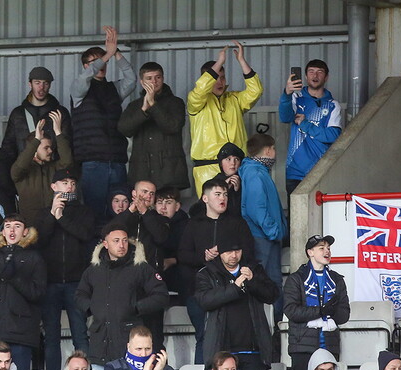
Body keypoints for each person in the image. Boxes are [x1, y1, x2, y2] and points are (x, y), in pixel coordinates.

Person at [194, 240, 279, 370]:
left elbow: (272, 294)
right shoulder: (207, 273)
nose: (233, 255)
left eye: (237, 250)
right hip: (223, 353)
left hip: (253, 352)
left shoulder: (253, 269)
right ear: (219, 252)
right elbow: (206, 301)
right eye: (228, 251)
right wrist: (235, 287)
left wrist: (252, 281)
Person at [177, 177, 255, 367]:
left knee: (231, 338)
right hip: (200, 291)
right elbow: (182, 256)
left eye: (225, 194)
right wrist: (203, 258)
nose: (223, 198)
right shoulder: (193, 224)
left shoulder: (237, 223)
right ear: (205, 198)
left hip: (232, 290)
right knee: (204, 336)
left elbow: (250, 254)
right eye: (217, 194)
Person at [76, 222, 169, 364]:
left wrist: (136, 307)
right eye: (116, 241)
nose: (122, 245)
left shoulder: (140, 268)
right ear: (105, 244)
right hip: (100, 345)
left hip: (130, 345)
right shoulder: (94, 270)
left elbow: (161, 295)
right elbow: (79, 295)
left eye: (125, 240)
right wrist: (92, 307)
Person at [70, 26, 136, 223]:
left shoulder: (113, 88)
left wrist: (116, 54)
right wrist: (107, 54)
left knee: (120, 213)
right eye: (95, 62)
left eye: (104, 61)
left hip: (116, 160)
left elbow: (131, 79)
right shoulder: (78, 88)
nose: (102, 65)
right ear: (86, 66)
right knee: (95, 213)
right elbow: (84, 78)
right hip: (92, 162)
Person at [34, 169, 93, 370]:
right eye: (64, 182)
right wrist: (52, 215)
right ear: (53, 187)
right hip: (50, 283)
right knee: (51, 337)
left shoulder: (83, 212)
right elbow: (37, 241)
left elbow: (85, 235)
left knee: (80, 335)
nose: (70, 186)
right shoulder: (42, 213)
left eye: (73, 183)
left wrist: (62, 218)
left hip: (76, 282)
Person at [0, 213, 47, 370]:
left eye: (17, 226)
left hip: (20, 333)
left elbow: (38, 293)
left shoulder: (34, 258)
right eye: (7, 226)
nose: (12, 230)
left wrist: (15, 278)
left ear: (25, 232)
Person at [187, 42, 262, 195]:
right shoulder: (196, 102)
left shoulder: (234, 99)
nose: (220, 82)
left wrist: (241, 61)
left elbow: (256, 90)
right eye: (215, 78)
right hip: (208, 169)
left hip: (237, 167)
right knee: (210, 213)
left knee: (239, 212)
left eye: (222, 77)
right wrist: (219, 62)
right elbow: (200, 90)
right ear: (206, 80)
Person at [283, 234, 350, 370]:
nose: (327, 251)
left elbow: (344, 315)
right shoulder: (296, 279)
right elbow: (291, 311)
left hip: (329, 345)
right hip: (303, 347)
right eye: (321, 248)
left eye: (328, 248)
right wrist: (320, 311)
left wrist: (331, 311)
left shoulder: (337, 279)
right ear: (310, 252)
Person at [238, 133, 287, 320]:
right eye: (273, 149)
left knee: (271, 283)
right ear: (268, 150)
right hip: (263, 237)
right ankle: (270, 328)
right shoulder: (255, 173)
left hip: (265, 236)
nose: (275, 153)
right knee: (267, 283)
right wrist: (274, 231)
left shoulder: (255, 171)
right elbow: (257, 208)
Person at [118, 61, 187, 191]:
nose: (154, 82)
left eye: (158, 77)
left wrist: (153, 105)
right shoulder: (134, 106)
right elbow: (124, 129)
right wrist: (143, 109)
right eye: (149, 78)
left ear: (163, 78)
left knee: (168, 209)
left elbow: (173, 127)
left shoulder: (176, 103)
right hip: (142, 172)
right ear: (141, 81)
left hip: (169, 173)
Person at [279, 59, 343, 195]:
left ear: (326, 77)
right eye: (311, 72)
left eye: (320, 72)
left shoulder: (333, 104)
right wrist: (287, 94)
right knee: (296, 216)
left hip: (322, 171)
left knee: (323, 215)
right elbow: (285, 117)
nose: (315, 76)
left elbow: (333, 136)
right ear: (306, 76)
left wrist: (305, 124)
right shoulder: (296, 97)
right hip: (295, 172)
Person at [10, 110, 73, 225]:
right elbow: (18, 168)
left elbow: (67, 162)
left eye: (51, 147)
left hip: (54, 226)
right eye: (46, 148)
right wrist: (36, 140)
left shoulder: (54, 167)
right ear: (34, 149)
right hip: (30, 228)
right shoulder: (22, 171)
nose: (50, 151)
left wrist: (58, 133)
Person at [2, 66, 72, 165]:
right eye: (37, 83)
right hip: (26, 172)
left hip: (53, 172)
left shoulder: (60, 112)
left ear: (50, 85)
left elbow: (68, 145)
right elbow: (9, 148)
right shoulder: (18, 114)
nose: (41, 87)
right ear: (30, 84)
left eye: (45, 83)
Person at [155, 187, 189, 296]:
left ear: (177, 206)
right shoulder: (150, 222)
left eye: (168, 203)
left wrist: (173, 260)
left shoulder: (186, 225)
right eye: (160, 203)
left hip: (178, 271)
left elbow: (193, 252)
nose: (163, 207)